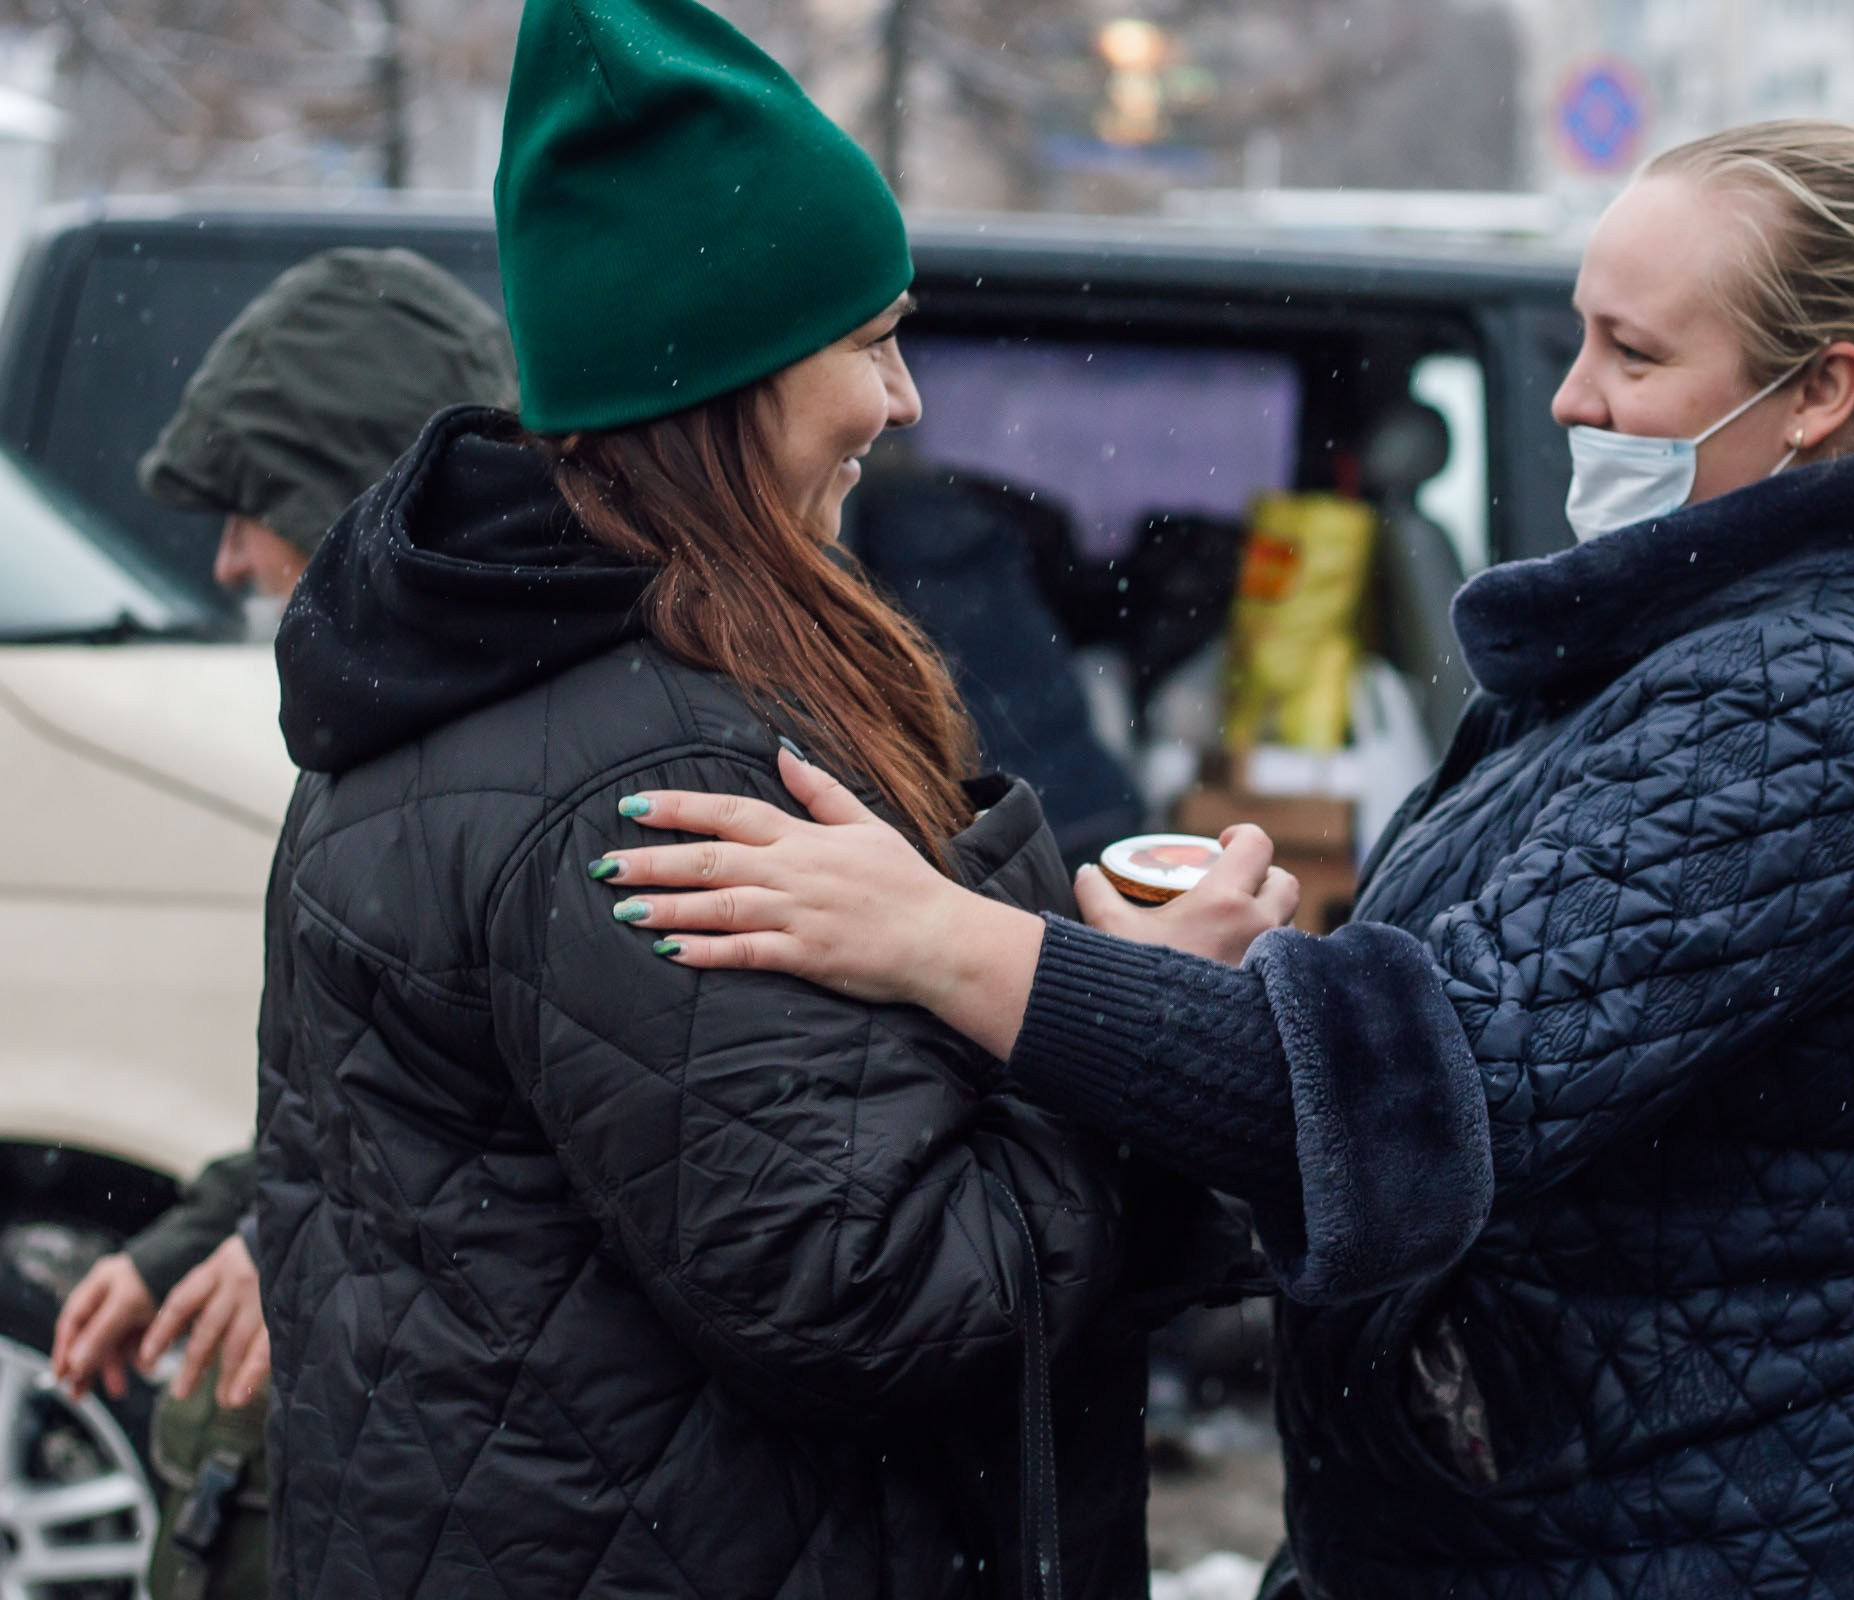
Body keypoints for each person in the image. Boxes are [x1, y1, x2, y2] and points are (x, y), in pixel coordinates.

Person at [593, 120, 1854, 1599]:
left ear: (1821, 391)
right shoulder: (1774, 616)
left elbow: (1407, 1107)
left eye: (1633, 355)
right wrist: (1222, 992)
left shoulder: (1808, 695)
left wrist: (937, 940)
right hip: (1607, 1517)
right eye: (1582, 335)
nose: (1573, 395)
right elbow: (1527, 1035)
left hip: (1701, 1544)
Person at [252, 1, 1253, 1595]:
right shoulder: (656, 778)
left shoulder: (468, 667)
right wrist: (1132, 1028)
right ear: (728, 380)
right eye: (869, 343)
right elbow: (878, 1298)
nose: (905, 400)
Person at [48, 245, 516, 1600]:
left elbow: (540, 1148)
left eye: (252, 504)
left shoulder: (479, 763)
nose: (230, 557)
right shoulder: (390, 735)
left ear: (352, 493)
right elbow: (350, 1095)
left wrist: (309, 1249)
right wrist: (210, 1233)